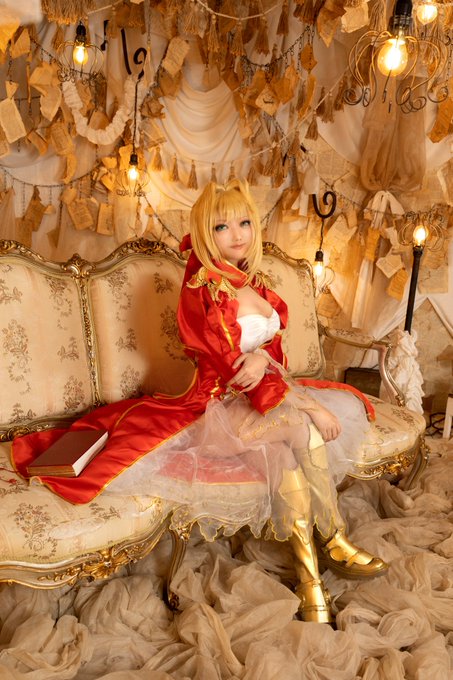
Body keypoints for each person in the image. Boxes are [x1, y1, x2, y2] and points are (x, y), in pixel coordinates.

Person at [12, 179, 387, 623]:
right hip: (217, 409)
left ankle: (312, 588)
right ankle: (336, 538)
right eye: (222, 227)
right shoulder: (203, 290)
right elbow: (233, 370)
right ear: (207, 234)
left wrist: (263, 358)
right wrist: (309, 404)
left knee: (287, 463)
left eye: (244, 222)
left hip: (260, 402)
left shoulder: (255, 284)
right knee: (305, 428)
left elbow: (271, 355)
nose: (237, 234)